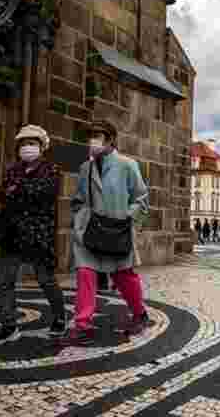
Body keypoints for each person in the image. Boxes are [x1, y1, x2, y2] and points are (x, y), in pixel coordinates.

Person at [67, 120, 150, 345]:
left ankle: (140, 313)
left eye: (98, 136)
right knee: (85, 272)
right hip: (91, 230)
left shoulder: (127, 165)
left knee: (123, 275)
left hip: (117, 230)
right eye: (90, 136)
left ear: (111, 140)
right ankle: (82, 325)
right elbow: (78, 199)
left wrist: (126, 218)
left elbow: (142, 199)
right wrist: (81, 220)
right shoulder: (85, 168)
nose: (92, 140)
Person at [0, 125, 67, 345]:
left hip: (38, 234)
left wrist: (16, 190)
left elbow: (42, 193)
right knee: (5, 281)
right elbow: (1, 193)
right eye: (23, 144)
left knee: (46, 280)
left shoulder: (52, 169)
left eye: (31, 143)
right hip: (11, 232)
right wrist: (17, 190)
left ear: (41, 146)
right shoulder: (12, 169)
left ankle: (60, 317)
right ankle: (9, 325)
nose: (27, 147)